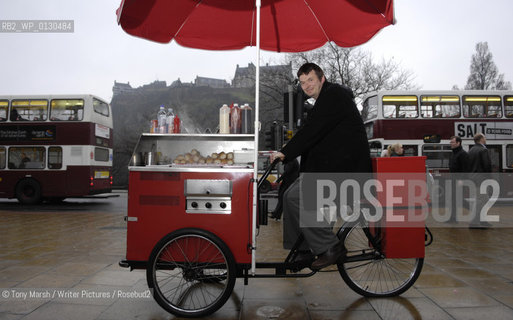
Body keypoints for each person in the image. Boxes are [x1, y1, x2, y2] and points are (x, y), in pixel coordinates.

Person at [271, 63, 372, 270]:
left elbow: (312, 131)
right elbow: (315, 133)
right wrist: (288, 151)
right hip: (332, 168)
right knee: (290, 194)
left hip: (345, 171)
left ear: (321, 79)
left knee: (295, 198)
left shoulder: (334, 95)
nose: (307, 86)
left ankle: (331, 247)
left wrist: (286, 152)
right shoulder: (325, 100)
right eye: (302, 82)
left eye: (311, 80)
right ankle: (303, 251)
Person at [467, 133, 492, 229]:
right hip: (482, 179)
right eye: (484, 137)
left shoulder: (472, 150)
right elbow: (487, 165)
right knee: (482, 200)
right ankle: (474, 222)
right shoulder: (483, 150)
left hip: (473, 178)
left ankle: (483, 220)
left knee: (481, 199)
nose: (485, 139)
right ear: (481, 139)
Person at [448, 136, 469, 222]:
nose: (451, 144)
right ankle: (453, 218)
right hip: (453, 179)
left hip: (459, 180)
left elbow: (465, 168)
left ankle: (477, 213)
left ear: (458, 143)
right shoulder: (454, 153)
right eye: (451, 142)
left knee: (459, 200)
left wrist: (462, 180)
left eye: (452, 142)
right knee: (454, 199)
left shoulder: (463, 154)